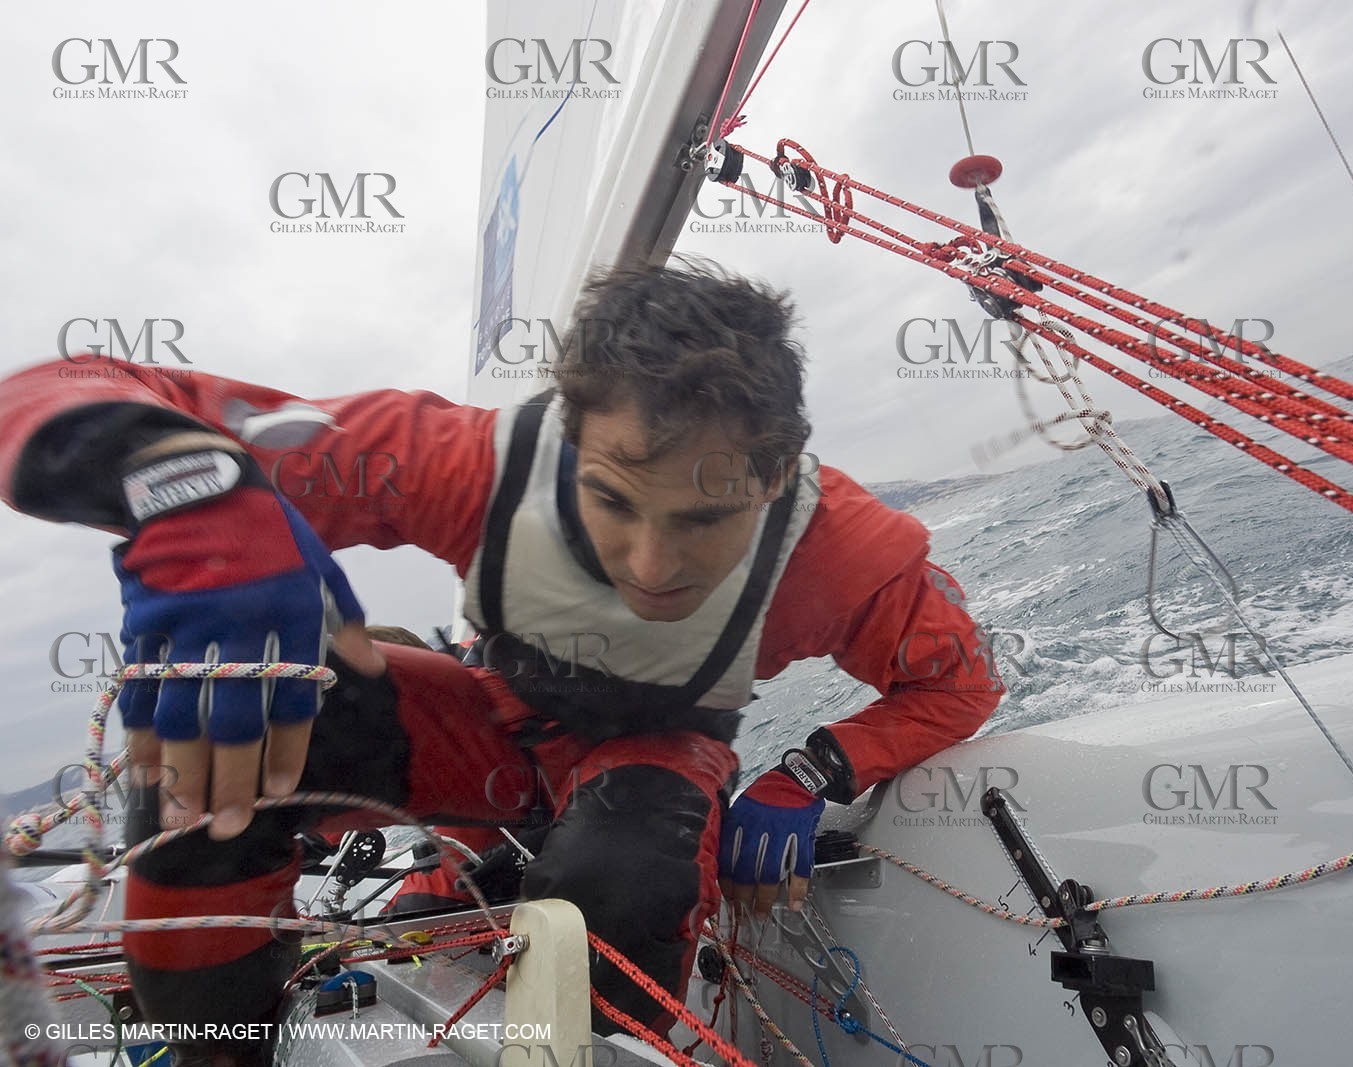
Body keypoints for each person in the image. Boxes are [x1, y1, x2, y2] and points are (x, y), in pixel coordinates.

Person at [0, 261, 1002, 1061]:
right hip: (479, 728)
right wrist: (189, 489)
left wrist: (812, 771)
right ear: (568, 445)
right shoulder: (469, 460)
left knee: (615, 884)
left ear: (779, 475)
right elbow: (67, 384)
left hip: (648, 753)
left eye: (705, 517)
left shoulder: (839, 551)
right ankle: (217, 1047)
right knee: (222, 712)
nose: (653, 567)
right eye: (612, 499)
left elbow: (956, 680)